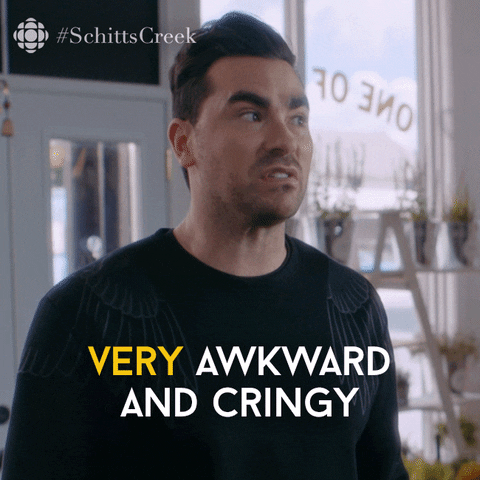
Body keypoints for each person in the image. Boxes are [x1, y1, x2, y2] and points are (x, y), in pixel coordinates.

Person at [2, 12, 408, 480]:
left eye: (298, 118)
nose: (285, 140)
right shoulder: (85, 315)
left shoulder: (354, 307)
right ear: (184, 142)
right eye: (252, 115)